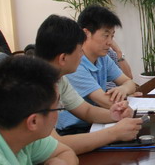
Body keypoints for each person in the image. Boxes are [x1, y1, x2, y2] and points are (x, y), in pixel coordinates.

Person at [35, 14, 142, 149]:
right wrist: (114, 133)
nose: (82, 55)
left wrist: (116, 115)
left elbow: (86, 111)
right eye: (79, 51)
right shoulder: (33, 87)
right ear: (63, 58)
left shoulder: (59, 78)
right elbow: (55, 146)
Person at [58, 5, 137, 132]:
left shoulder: (103, 58)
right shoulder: (75, 63)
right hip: (74, 129)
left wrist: (124, 89)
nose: (110, 42)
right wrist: (126, 98)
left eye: (112, 36)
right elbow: (105, 102)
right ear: (86, 33)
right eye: (105, 35)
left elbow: (130, 82)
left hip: (98, 121)